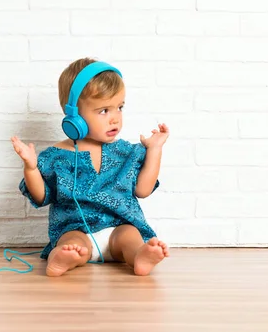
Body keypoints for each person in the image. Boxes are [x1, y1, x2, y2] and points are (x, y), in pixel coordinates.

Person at [10, 57, 170, 277]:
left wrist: (155, 149)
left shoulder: (126, 153)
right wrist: (31, 167)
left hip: (119, 227)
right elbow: (41, 197)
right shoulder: (56, 157)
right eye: (104, 111)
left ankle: (139, 256)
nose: (115, 119)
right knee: (72, 241)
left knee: (129, 236)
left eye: (119, 108)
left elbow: (143, 190)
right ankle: (65, 257)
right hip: (77, 229)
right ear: (75, 117)